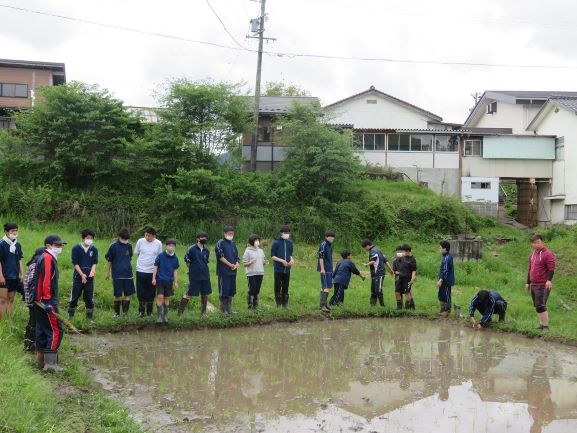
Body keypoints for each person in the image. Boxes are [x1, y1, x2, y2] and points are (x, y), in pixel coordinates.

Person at [34, 234, 66, 371]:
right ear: (48, 246)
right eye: (57, 245)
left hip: (39, 300)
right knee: (56, 330)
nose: (59, 248)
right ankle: (50, 365)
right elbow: (46, 280)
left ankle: (40, 362)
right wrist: (47, 300)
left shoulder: (47, 257)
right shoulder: (47, 258)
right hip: (46, 301)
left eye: (61, 245)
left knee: (42, 329)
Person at [525, 234, 556, 331]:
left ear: (542, 242)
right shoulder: (532, 255)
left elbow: (551, 268)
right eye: (534, 243)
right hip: (533, 284)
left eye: (538, 242)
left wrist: (549, 280)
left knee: (541, 305)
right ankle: (541, 324)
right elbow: (530, 269)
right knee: (537, 305)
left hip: (543, 284)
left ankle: (546, 327)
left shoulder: (548, 254)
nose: (536, 244)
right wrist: (528, 282)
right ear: (532, 244)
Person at [68, 228, 98, 321]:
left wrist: (93, 270)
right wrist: (81, 274)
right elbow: (75, 263)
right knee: (74, 296)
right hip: (78, 277)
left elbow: (94, 262)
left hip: (89, 278)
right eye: (88, 238)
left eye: (91, 238)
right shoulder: (76, 248)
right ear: (83, 238)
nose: (90, 240)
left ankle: (89, 318)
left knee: (89, 298)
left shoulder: (94, 249)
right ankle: (70, 317)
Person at [178, 232, 211, 316]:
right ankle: (180, 313)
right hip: (195, 275)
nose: (204, 239)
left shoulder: (206, 250)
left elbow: (206, 262)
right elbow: (187, 261)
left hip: (205, 275)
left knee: (205, 293)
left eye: (206, 237)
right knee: (189, 293)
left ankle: (203, 313)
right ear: (198, 238)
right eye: (202, 237)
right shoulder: (191, 249)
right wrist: (191, 271)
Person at [105, 228, 135, 318]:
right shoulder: (113, 246)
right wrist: (108, 272)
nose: (125, 240)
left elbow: (130, 257)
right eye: (123, 238)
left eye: (126, 239)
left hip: (128, 274)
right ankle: (116, 314)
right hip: (117, 274)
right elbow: (109, 260)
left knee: (128, 294)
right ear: (119, 237)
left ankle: (125, 314)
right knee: (117, 294)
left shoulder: (129, 246)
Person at [134, 226, 162, 317]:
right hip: (140, 270)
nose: (147, 237)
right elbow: (138, 254)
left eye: (149, 236)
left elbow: (159, 258)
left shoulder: (158, 243)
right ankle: (141, 311)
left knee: (151, 291)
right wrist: (141, 264)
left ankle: (149, 312)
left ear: (154, 236)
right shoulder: (140, 241)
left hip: (152, 271)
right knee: (140, 290)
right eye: (146, 235)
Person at [23, 247, 45, 352]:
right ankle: (31, 345)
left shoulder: (33, 264)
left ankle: (29, 344)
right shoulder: (36, 265)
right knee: (34, 323)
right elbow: (32, 283)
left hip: (31, 300)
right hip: (34, 301)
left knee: (32, 322)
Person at [0, 222, 24, 319]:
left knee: (10, 300)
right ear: (6, 232)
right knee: (2, 300)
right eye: (12, 231)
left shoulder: (17, 245)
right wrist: (0, 276)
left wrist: (22, 274)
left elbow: (19, 259)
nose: (15, 232)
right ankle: (1, 321)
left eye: (16, 230)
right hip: (4, 276)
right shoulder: (1, 244)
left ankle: (8, 320)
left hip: (14, 276)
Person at [152, 239, 179, 324]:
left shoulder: (175, 258)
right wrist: (153, 278)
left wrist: (175, 282)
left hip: (169, 281)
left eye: (172, 246)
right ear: (166, 246)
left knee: (167, 298)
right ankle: (159, 317)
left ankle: (165, 316)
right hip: (160, 280)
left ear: (175, 247)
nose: (171, 247)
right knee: (160, 297)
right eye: (169, 245)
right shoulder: (160, 256)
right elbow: (155, 267)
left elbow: (175, 270)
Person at [361, 239, 394, 307]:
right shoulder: (378, 249)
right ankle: (372, 306)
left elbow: (373, 261)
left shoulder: (373, 251)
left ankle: (382, 306)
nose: (365, 249)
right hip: (375, 274)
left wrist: (366, 265)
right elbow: (385, 260)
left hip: (379, 273)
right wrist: (391, 269)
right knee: (373, 290)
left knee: (378, 290)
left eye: (364, 248)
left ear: (367, 246)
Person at [215, 226, 240, 315]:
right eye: (229, 233)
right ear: (224, 233)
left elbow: (237, 256)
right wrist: (230, 264)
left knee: (231, 290)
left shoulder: (233, 243)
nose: (231, 235)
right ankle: (223, 310)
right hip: (224, 271)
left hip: (233, 271)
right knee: (224, 290)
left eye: (232, 234)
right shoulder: (220, 243)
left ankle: (229, 309)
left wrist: (236, 264)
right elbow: (220, 256)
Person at [270, 225, 294, 308]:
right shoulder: (276, 243)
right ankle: (278, 303)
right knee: (277, 285)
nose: (287, 234)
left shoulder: (290, 242)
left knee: (285, 285)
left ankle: (285, 303)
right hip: (278, 268)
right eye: (285, 233)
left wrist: (292, 260)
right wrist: (282, 261)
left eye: (288, 233)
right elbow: (272, 256)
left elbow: (290, 254)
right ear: (281, 233)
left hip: (287, 269)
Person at [243, 234, 267, 310]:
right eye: (255, 240)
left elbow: (263, 261)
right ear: (251, 242)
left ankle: (255, 306)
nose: (257, 242)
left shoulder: (261, 251)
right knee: (252, 289)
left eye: (258, 240)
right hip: (251, 273)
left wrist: (265, 262)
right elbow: (244, 264)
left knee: (257, 290)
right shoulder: (247, 251)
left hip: (260, 272)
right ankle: (250, 307)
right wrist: (250, 262)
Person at [393, 244, 417, 310]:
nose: (402, 253)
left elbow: (414, 270)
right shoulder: (403, 257)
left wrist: (412, 278)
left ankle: (408, 308)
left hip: (407, 279)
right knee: (397, 292)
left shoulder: (412, 260)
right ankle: (399, 308)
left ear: (407, 251)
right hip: (400, 278)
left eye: (403, 251)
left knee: (407, 293)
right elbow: (397, 263)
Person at [318, 230, 336, 313]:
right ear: (326, 237)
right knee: (327, 286)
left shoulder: (330, 245)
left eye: (333, 237)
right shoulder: (323, 244)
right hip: (325, 269)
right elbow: (321, 257)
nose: (331, 238)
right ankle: (322, 306)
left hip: (329, 268)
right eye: (330, 236)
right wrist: (322, 268)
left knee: (324, 286)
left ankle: (324, 304)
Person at [437, 240, 455, 316]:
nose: (439, 249)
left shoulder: (447, 258)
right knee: (441, 294)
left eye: (440, 248)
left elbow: (445, 270)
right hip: (443, 280)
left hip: (446, 281)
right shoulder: (445, 256)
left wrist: (440, 280)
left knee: (447, 296)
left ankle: (447, 311)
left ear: (445, 249)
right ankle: (443, 309)